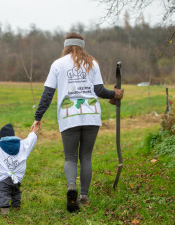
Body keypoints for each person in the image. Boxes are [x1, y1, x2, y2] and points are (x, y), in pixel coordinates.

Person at [31, 32, 124, 212]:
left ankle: (71, 186)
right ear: (82, 45)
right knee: (86, 156)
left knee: (71, 157)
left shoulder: (58, 65)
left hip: (68, 116)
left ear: (65, 46)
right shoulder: (92, 63)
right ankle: (84, 195)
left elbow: (47, 94)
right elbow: (99, 90)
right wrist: (114, 94)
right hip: (91, 115)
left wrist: (38, 117)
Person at [0, 123, 37, 215]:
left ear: (0, 138)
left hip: (4, 178)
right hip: (18, 178)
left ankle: (4, 210)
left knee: (4, 192)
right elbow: (31, 140)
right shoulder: (23, 145)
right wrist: (33, 132)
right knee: (16, 191)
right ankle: (16, 206)